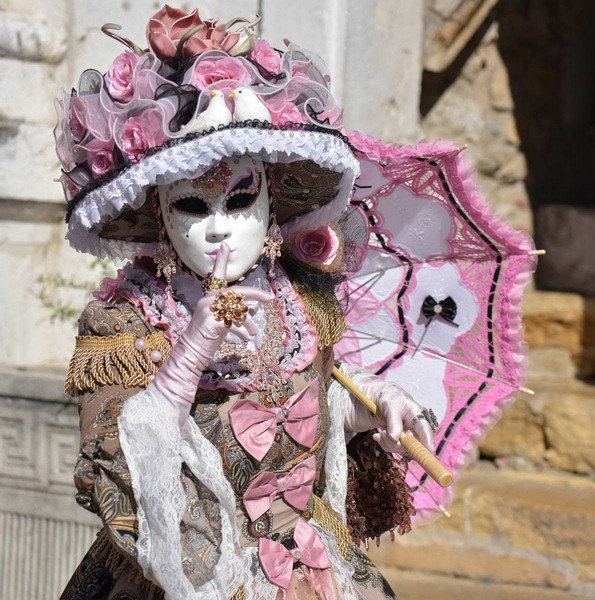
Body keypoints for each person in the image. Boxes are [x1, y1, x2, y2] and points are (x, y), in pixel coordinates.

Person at [57, 6, 435, 599]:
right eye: (191, 206)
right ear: (158, 213)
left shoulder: (303, 298)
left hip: (310, 569)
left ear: (271, 198)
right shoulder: (128, 322)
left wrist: (368, 410)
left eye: (239, 199)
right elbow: (117, 464)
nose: (219, 230)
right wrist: (185, 360)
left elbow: (315, 396)